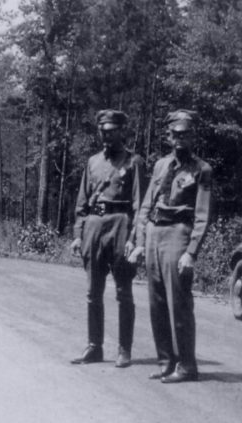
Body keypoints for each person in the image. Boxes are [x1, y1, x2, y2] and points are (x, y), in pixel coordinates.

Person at [128, 109, 212, 383]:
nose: (180, 139)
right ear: (168, 136)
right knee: (157, 303)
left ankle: (187, 366)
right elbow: (145, 205)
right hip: (154, 233)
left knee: (179, 303)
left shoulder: (202, 170)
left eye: (185, 134)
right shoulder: (161, 165)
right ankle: (166, 361)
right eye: (175, 134)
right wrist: (140, 242)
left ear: (193, 136)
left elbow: (202, 215)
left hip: (178, 233)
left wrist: (191, 252)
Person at [70, 109, 145, 368]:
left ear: (122, 131)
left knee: (123, 292)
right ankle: (94, 346)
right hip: (95, 226)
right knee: (93, 292)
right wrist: (79, 234)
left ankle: (124, 349)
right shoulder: (92, 162)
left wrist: (134, 237)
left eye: (112, 130)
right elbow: (84, 203)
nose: (106, 134)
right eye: (103, 130)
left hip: (121, 224)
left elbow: (139, 205)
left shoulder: (134, 162)